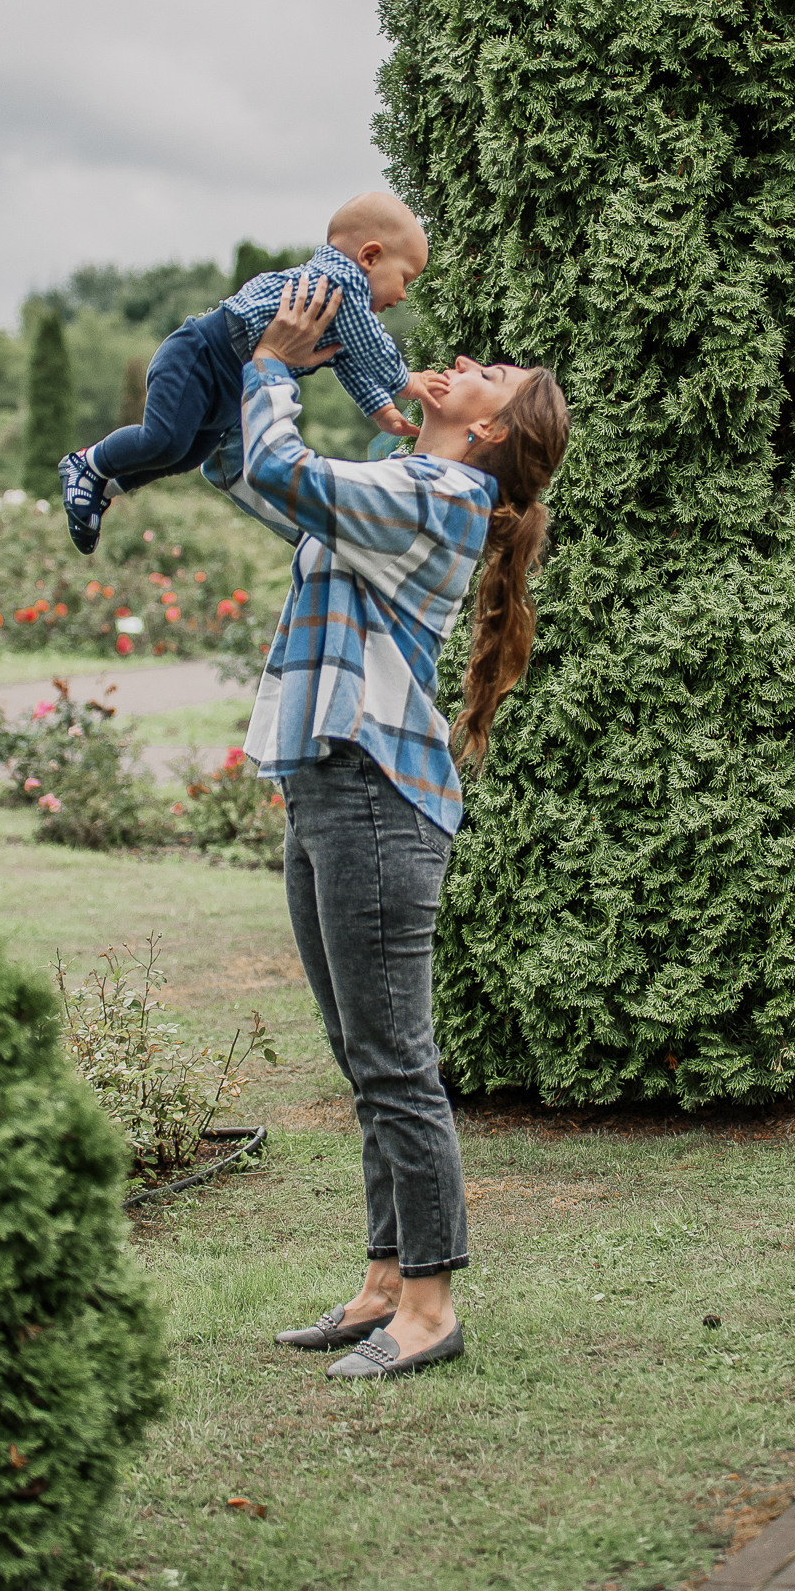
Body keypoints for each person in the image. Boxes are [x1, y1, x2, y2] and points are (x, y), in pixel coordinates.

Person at [203, 273, 570, 1379]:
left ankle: (429, 1306)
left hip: (375, 793)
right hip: (326, 783)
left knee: (395, 1061)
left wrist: (275, 368)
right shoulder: (400, 481)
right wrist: (239, 371)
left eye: (487, 376)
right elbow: (253, 477)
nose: (462, 364)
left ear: (492, 426)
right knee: (361, 1056)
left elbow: (282, 464)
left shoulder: (441, 498)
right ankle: (379, 1283)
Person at [57, 191, 439, 555]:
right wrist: (406, 382)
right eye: (405, 278)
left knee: (186, 454)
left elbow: (349, 360)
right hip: (199, 357)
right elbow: (373, 345)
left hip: (231, 384)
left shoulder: (343, 312)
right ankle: (86, 464)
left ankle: (104, 486)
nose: (404, 294)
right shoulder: (341, 282)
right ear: (370, 256)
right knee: (165, 440)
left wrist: (381, 410)